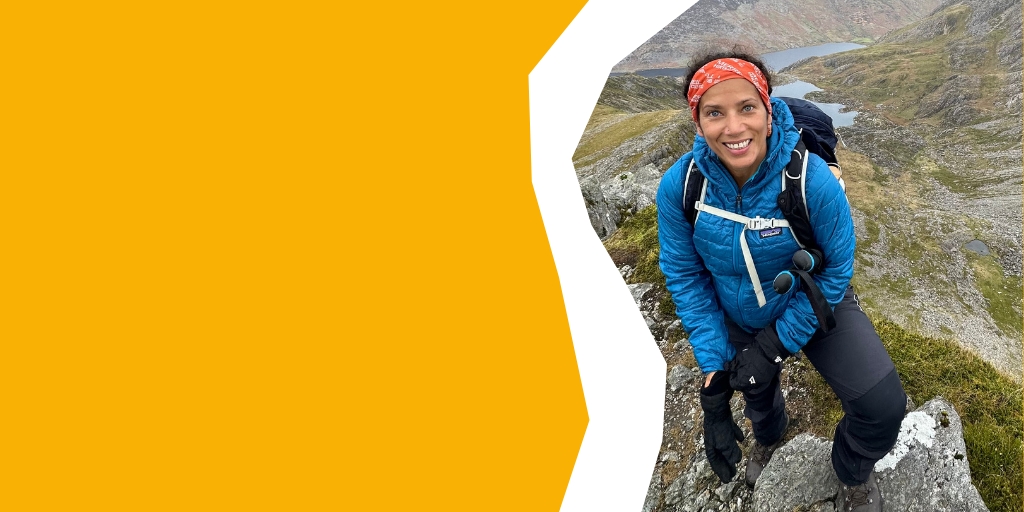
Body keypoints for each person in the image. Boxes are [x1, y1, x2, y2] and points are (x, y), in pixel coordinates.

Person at [655, 49, 907, 512]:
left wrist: (774, 345)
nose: (733, 128)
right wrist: (713, 376)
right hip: (735, 309)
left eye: (747, 107)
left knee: (883, 406)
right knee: (755, 388)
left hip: (812, 301)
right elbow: (685, 275)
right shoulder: (682, 186)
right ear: (698, 122)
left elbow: (835, 269)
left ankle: (852, 471)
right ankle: (768, 438)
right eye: (715, 113)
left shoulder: (812, 181)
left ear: (768, 112)